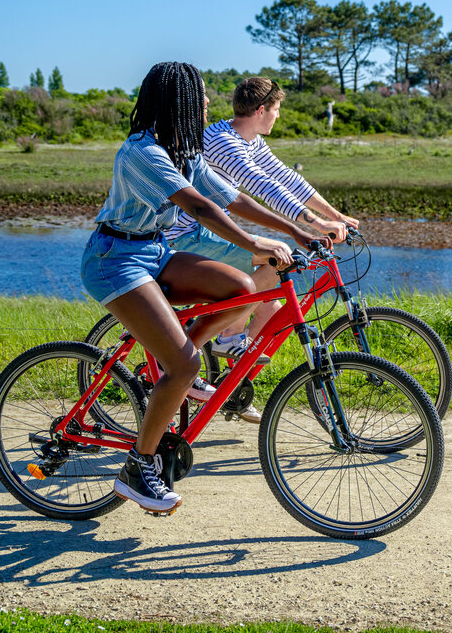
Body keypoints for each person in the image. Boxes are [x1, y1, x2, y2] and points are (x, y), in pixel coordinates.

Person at [79, 61, 316, 515]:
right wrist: (253, 241)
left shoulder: (184, 151)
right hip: (115, 260)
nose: (209, 102)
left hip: (153, 252)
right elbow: (200, 207)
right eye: (201, 95)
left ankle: (177, 369)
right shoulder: (142, 152)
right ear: (179, 102)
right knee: (186, 364)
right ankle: (138, 466)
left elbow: (233, 197)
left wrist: (297, 232)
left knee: (240, 288)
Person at [165, 77, 359, 400]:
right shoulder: (223, 142)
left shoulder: (250, 139)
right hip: (186, 234)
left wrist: (335, 217)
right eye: (276, 109)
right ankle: (226, 336)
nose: (278, 116)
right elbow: (262, 188)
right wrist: (312, 226)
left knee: (270, 307)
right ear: (260, 110)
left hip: (211, 230)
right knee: (274, 261)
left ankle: (233, 390)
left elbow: (285, 178)